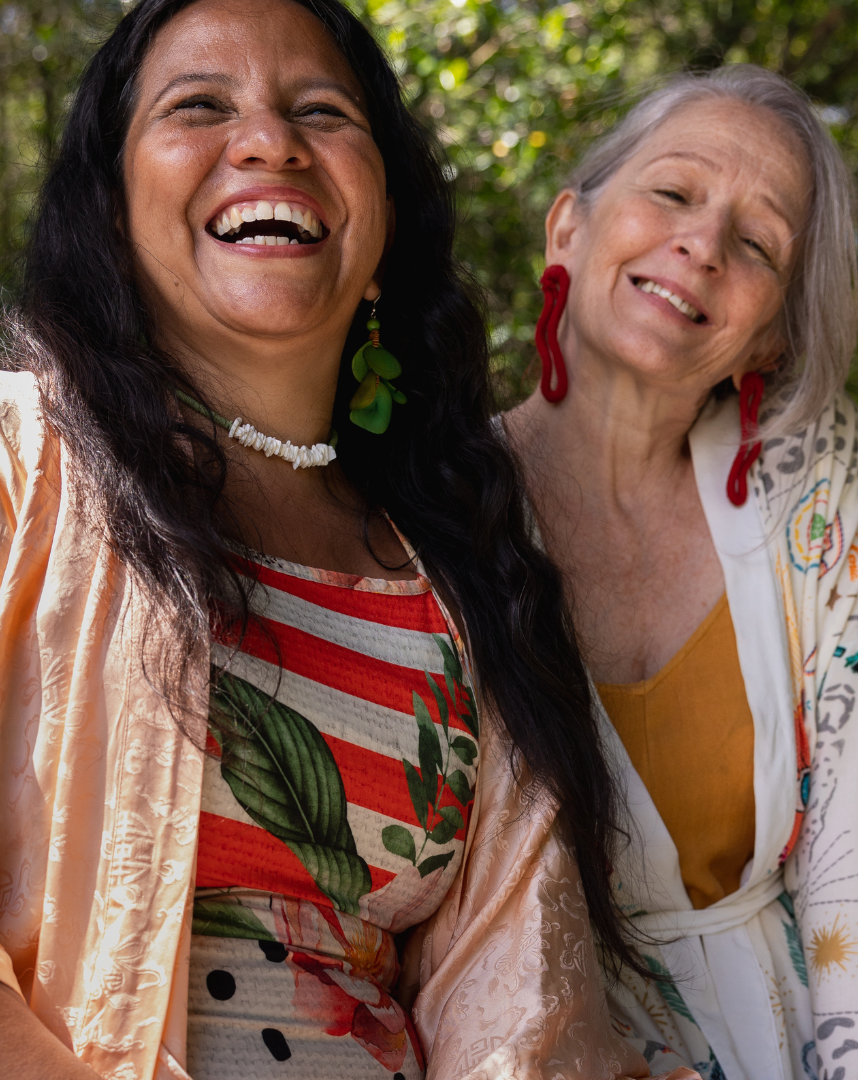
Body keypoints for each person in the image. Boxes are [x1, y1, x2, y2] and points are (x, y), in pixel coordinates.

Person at [0, 0, 697, 1077]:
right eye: (200, 106)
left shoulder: (459, 576)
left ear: (386, 218)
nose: (269, 141)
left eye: (321, 110)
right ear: (113, 203)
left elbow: (524, 1016)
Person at [500, 65, 857, 1080]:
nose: (701, 245)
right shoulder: (425, 518)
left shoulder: (814, 513)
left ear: (775, 332)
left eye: (757, 244)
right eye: (672, 193)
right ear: (568, 226)